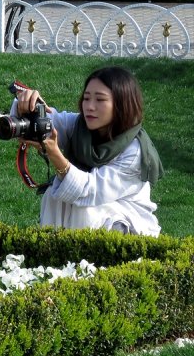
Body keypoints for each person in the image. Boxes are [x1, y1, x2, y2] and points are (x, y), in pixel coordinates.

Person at [13, 66, 164, 236]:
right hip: (91, 211)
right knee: (52, 196)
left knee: (84, 209)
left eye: (100, 100)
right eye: (86, 98)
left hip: (129, 226)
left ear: (122, 104)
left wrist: (55, 155)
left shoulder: (135, 152)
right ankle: (51, 256)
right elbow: (50, 123)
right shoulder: (80, 126)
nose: (90, 107)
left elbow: (90, 191)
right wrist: (28, 106)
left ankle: (84, 261)